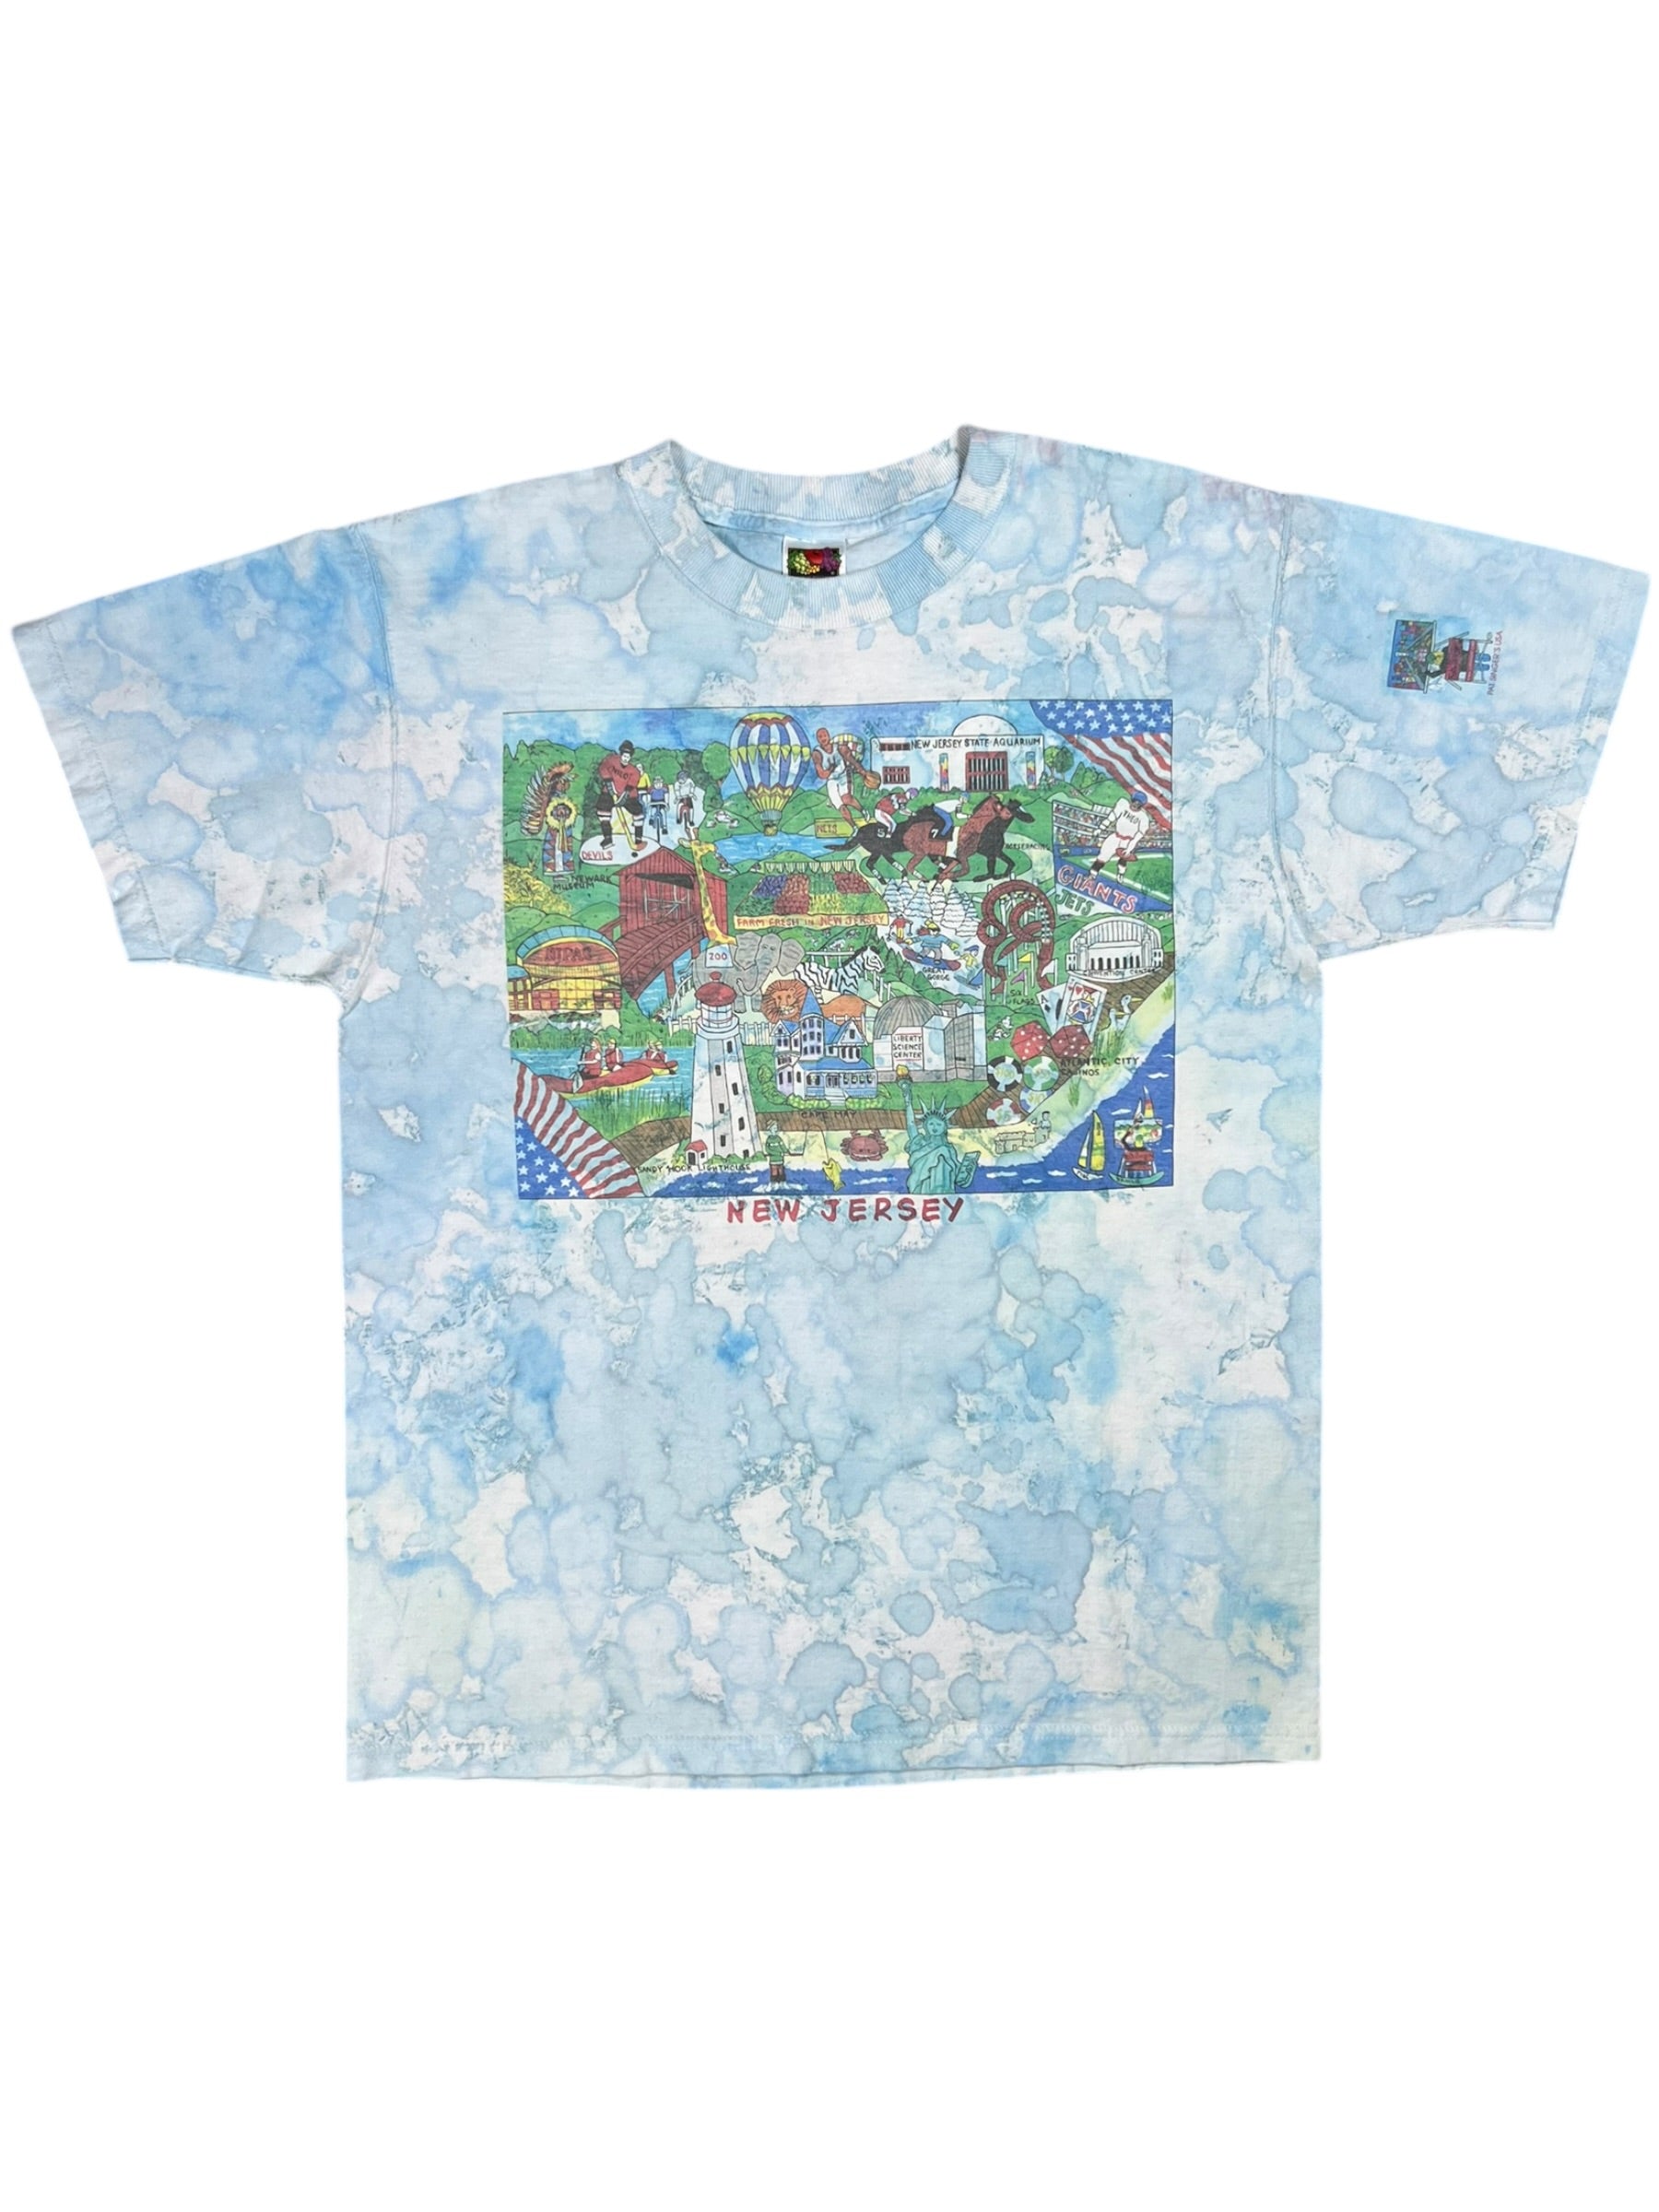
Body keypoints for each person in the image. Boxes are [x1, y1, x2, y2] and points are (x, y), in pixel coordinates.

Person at [596, 739, 644, 854]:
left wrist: (625, 795)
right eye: (624, 756)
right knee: (602, 810)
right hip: (609, 793)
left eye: (628, 757)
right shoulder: (611, 760)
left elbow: (633, 783)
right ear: (621, 754)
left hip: (627, 796)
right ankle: (608, 838)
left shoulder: (633, 771)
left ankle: (638, 839)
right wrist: (608, 782)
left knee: (638, 812)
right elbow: (603, 768)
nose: (626, 759)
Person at [1091, 791, 1152, 877]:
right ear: (1131, 800)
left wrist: (1129, 848)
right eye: (1134, 801)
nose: (1135, 804)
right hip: (1116, 836)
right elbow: (1111, 818)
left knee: (1123, 859)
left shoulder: (1143, 817)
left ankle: (1121, 873)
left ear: (1141, 805)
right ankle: (1092, 874)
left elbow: (1137, 837)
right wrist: (1100, 829)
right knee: (1103, 856)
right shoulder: (1123, 805)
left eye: (1138, 803)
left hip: (1128, 840)